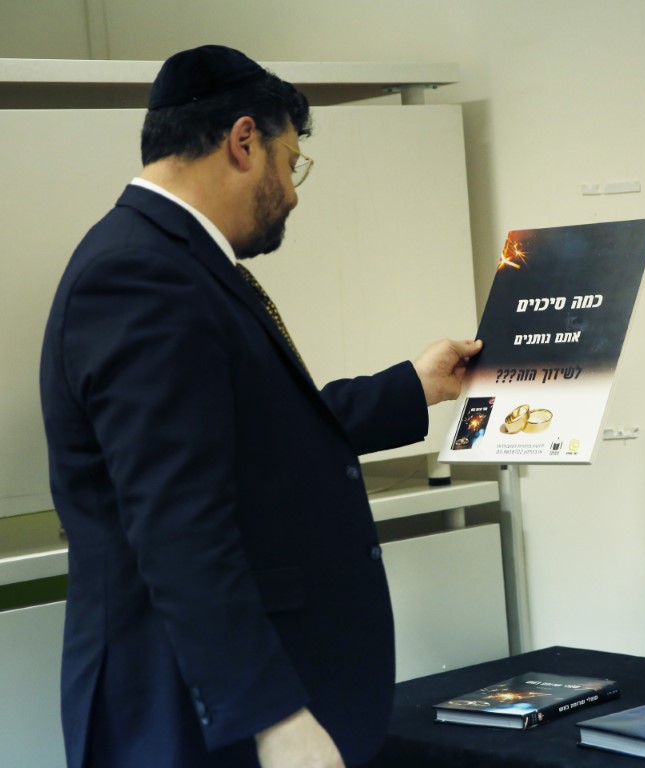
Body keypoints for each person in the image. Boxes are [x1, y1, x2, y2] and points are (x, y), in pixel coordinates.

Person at [39, 44, 481, 768]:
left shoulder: (170, 259)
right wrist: (273, 717)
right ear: (244, 141)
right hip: (192, 719)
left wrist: (415, 385)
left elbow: (258, 431)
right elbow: (176, 522)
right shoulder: (140, 275)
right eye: (291, 162)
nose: (294, 194)